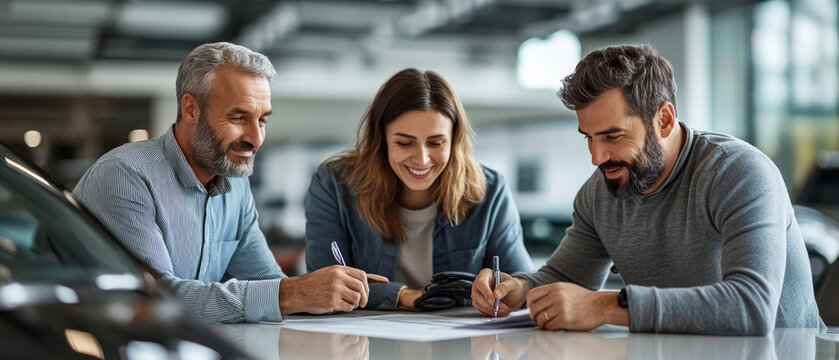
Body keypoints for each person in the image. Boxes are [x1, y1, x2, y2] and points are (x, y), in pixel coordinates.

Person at [471, 44, 824, 335]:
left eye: (613, 136)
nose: (596, 157)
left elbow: (751, 307)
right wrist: (518, 289)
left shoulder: (738, 173)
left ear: (665, 120)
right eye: (589, 138)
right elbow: (564, 277)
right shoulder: (600, 192)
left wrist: (605, 305)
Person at [74, 42, 385, 323]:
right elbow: (154, 297)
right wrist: (292, 294)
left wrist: (324, 292)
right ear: (191, 109)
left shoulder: (235, 185)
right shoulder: (124, 177)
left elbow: (266, 280)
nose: (256, 138)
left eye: (262, 120)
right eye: (239, 118)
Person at [305, 68, 533, 310]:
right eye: (404, 143)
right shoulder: (334, 185)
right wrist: (403, 296)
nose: (422, 160)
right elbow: (324, 287)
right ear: (381, 139)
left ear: (454, 141)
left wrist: (510, 290)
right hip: (364, 344)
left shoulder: (490, 191)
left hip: (460, 343)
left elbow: (523, 283)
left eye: (436, 143)